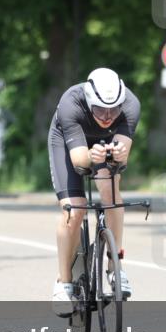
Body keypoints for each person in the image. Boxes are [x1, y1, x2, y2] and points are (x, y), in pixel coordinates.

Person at [48, 67, 140, 316]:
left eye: (114, 109)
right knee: (74, 210)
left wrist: (117, 155)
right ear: (89, 101)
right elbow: (80, 161)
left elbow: (121, 156)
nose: (108, 116)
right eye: (100, 109)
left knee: (111, 194)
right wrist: (92, 155)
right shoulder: (71, 103)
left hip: (103, 143)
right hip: (69, 143)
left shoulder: (131, 105)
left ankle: (115, 268)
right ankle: (64, 282)